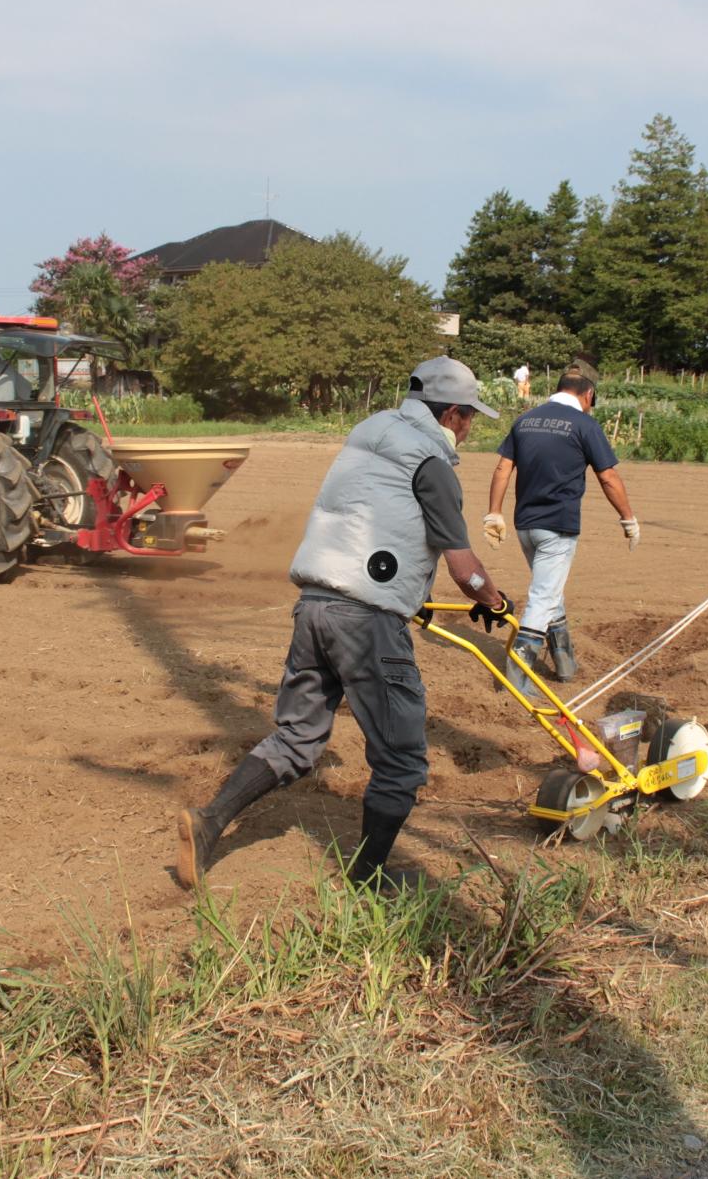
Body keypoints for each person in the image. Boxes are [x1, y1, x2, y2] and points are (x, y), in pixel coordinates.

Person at [176, 357, 509, 891]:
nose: (469, 428)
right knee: (402, 761)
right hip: (365, 622)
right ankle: (369, 878)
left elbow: (373, 524)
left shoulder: (368, 437)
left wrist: (412, 596)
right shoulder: (432, 464)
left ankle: (210, 821)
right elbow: (463, 568)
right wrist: (493, 601)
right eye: (469, 417)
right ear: (451, 414)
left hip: (314, 606)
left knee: (298, 737)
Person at [482, 373, 638, 700]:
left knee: (550, 590)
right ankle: (518, 680)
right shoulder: (584, 425)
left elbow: (502, 469)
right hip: (557, 525)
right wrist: (628, 518)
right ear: (588, 395)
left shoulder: (525, 421)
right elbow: (608, 477)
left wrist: (494, 513)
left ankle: (565, 662)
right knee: (542, 597)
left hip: (525, 525)